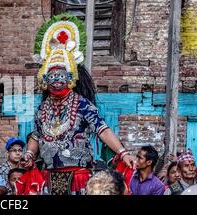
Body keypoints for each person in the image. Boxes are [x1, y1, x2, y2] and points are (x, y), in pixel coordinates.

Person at [23, 14, 136, 195]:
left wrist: (123, 153)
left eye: (61, 75)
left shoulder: (82, 105)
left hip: (79, 177)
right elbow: (36, 136)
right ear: (44, 79)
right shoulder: (42, 109)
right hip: (50, 177)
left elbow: (103, 130)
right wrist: (29, 155)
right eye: (52, 76)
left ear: (70, 78)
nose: (56, 80)